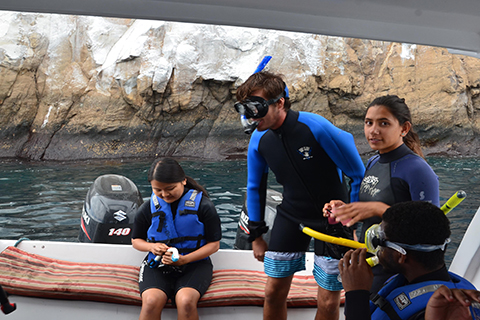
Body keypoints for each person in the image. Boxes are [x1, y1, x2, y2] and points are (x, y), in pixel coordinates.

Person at [234, 71, 365, 320]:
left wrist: (354, 221)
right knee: (272, 293)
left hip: (333, 220)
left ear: (279, 102)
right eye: (245, 108)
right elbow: (255, 187)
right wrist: (257, 234)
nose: (250, 116)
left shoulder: (315, 127)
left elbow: (358, 174)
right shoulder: (258, 140)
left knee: (327, 301)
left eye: (256, 107)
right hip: (291, 215)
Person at [324, 95, 439, 293]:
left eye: (384, 123)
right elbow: (372, 214)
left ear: (404, 128)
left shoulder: (417, 169)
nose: (373, 130)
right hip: (371, 263)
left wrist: (381, 209)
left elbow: (432, 232)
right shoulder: (374, 162)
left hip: (401, 274)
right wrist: (346, 210)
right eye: (369, 123)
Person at [339, 201, 476, 320]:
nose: (377, 249)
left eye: (381, 242)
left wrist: (356, 294)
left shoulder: (435, 311)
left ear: (400, 256)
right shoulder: (409, 280)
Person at [132, 158, 222, 320]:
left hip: (194, 265)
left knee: (186, 301)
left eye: (170, 188)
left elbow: (214, 245)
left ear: (183, 181)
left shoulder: (204, 206)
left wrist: (184, 259)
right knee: (151, 302)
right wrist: (151, 247)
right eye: (157, 190)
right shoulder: (147, 208)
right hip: (157, 264)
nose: (165, 194)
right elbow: (136, 240)